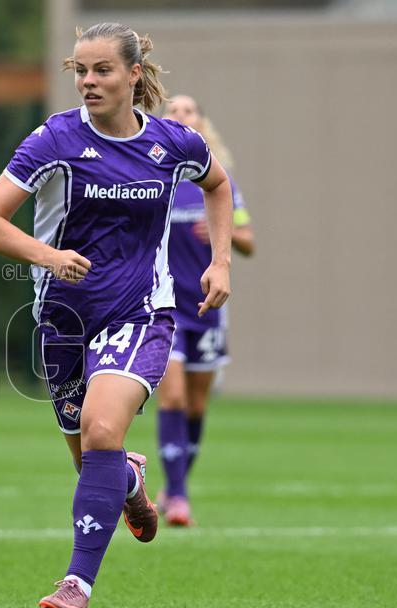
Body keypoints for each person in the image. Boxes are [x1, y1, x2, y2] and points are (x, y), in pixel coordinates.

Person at [0, 23, 232, 608]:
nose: (88, 82)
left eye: (102, 71)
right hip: (62, 318)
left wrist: (219, 261)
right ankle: (130, 482)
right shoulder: (54, 139)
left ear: (133, 74)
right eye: (80, 71)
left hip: (140, 311)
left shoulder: (174, 143)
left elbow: (217, 186)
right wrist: (49, 257)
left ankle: (76, 584)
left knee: (100, 430)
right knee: (91, 455)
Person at [155, 94, 255, 526]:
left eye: (188, 111)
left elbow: (249, 240)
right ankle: (178, 496)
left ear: (200, 122)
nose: (180, 116)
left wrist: (222, 236)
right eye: (172, 111)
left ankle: (176, 484)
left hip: (208, 308)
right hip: (164, 305)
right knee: (172, 396)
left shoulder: (220, 181)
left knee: (196, 407)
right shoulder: (154, 176)